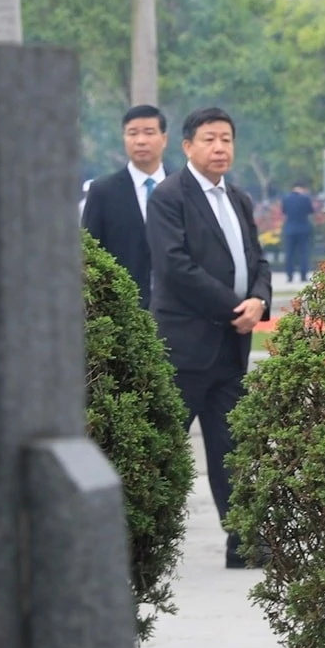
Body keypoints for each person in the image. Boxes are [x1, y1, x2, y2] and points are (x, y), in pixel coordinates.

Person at [147, 107, 273, 568]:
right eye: (209, 139)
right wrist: (232, 308)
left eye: (226, 139)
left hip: (231, 347)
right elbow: (175, 267)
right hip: (186, 345)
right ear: (187, 146)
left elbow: (258, 260)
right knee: (164, 448)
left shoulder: (238, 198)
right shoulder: (169, 196)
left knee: (233, 448)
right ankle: (139, 544)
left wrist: (258, 301)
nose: (219, 148)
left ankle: (242, 543)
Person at [81, 105, 168, 307]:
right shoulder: (102, 191)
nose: (141, 141)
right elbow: (91, 255)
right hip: (124, 310)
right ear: (124, 139)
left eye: (149, 132)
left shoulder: (184, 188)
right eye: (132, 133)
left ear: (164, 139)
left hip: (177, 313)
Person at [280, 184, 317, 282]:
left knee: (289, 254)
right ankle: (303, 276)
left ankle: (289, 276)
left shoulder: (286, 198)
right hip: (303, 228)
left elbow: (284, 211)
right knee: (303, 253)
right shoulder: (305, 199)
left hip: (290, 229)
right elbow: (311, 211)